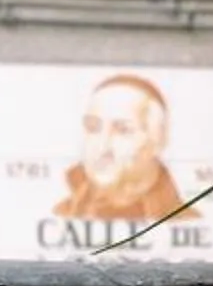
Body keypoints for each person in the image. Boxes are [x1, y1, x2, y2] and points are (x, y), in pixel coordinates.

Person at [51, 74, 185, 224]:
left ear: (158, 141)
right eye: (93, 128)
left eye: (123, 130)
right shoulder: (61, 214)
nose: (103, 147)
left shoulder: (185, 220)